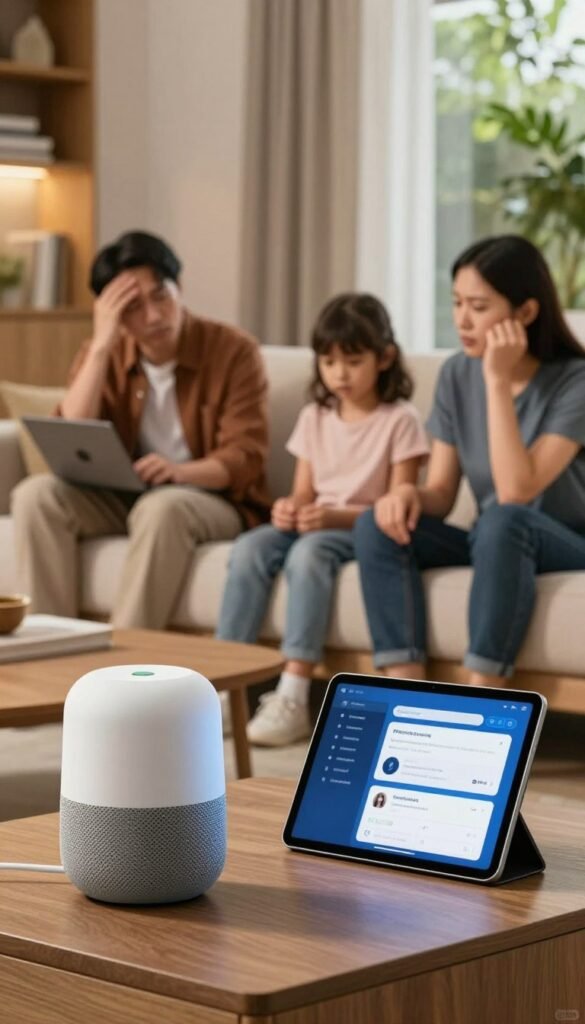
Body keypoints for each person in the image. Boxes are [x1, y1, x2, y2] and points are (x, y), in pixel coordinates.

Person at [353, 235, 585, 686]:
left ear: (526, 313)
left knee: (504, 517)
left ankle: (479, 701)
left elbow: (519, 489)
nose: (462, 320)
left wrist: (496, 381)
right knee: (375, 524)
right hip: (495, 541)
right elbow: (440, 494)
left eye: (478, 307)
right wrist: (406, 493)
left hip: (567, 544)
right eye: (456, 302)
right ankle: (407, 692)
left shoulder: (576, 381)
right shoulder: (457, 372)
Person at [11, 230, 270, 629]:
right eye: (132, 307)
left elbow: (244, 458)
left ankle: (124, 668)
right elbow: (71, 436)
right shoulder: (107, 351)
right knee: (36, 495)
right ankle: (54, 647)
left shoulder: (233, 350)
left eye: (161, 296)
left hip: (208, 499)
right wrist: (100, 346)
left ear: (179, 287)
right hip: (126, 494)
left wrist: (179, 472)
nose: (152, 316)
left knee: (162, 506)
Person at [217, 292, 429, 746]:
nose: (339, 373)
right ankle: (222, 686)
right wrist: (288, 508)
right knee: (251, 546)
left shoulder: (401, 420)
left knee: (309, 554)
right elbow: (301, 490)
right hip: (316, 520)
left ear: (385, 357)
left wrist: (332, 516)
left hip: (359, 529)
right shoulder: (316, 416)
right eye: (329, 361)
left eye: (352, 360)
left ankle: (293, 693)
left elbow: (396, 508)